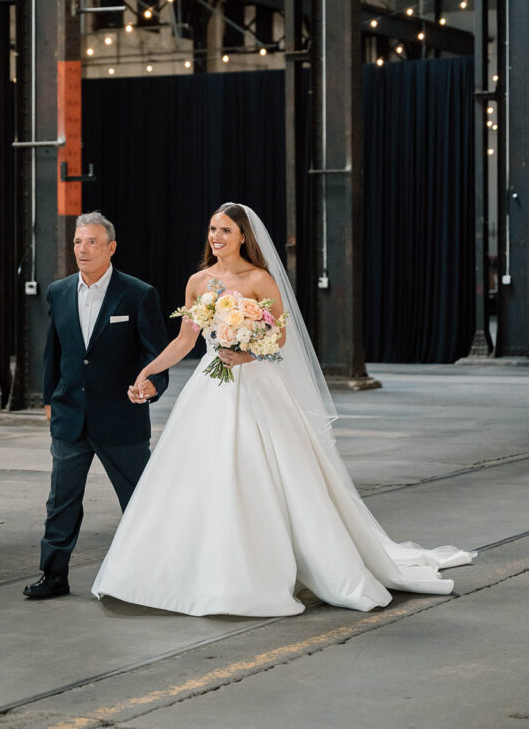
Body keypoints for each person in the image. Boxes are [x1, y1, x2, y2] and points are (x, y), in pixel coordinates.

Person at [92, 202, 474, 617]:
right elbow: (185, 341)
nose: (216, 237)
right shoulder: (198, 282)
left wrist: (248, 355)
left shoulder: (259, 279)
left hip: (255, 384)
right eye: (212, 229)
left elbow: (280, 339)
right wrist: (147, 370)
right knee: (199, 472)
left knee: (268, 472)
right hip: (210, 384)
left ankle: (265, 570)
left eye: (224, 230)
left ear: (242, 237)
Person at [24, 211, 168, 600]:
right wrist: (49, 398)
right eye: (77, 242)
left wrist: (150, 387)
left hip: (121, 420)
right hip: (70, 417)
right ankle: (53, 575)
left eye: (91, 242)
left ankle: (156, 574)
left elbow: (158, 358)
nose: (82, 249)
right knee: (61, 502)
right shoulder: (59, 291)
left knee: (141, 501)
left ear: (111, 247)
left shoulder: (138, 294)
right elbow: (53, 353)